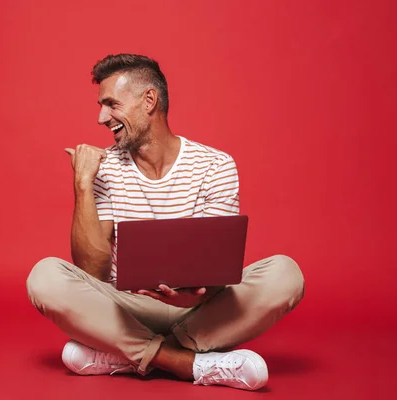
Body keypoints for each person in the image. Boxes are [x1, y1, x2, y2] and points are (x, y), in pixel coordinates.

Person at [26, 54, 305, 391]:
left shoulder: (215, 166)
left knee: (286, 274)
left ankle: (127, 355)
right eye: (101, 106)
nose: (102, 117)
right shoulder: (105, 168)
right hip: (124, 306)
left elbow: (218, 268)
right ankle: (187, 363)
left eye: (111, 104)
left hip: (197, 311)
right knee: (44, 277)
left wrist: (195, 297)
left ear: (149, 101)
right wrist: (83, 183)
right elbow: (92, 272)